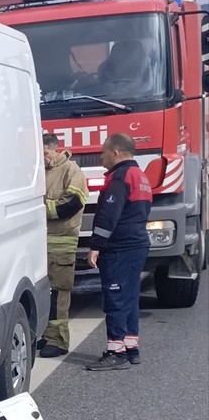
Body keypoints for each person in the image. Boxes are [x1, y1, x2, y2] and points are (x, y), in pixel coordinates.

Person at [86, 132, 153, 371]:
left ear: (115, 153)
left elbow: (108, 216)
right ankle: (130, 347)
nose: (101, 157)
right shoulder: (140, 175)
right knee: (130, 297)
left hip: (119, 248)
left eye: (103, 153)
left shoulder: (119, 177)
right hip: (136, 245)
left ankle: (116, 352)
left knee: (114, 297)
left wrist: (95, 246)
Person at [38, 133, 89, 357]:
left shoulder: (71, 170)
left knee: (59, 293)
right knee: (45, 292)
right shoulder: (43, 172)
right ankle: (46, 335)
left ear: (55, 149)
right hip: (40, 244)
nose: (43, 157)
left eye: (45, 153)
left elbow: (72, 203)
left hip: (61, 244)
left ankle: (58, 341)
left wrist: (38, 210)